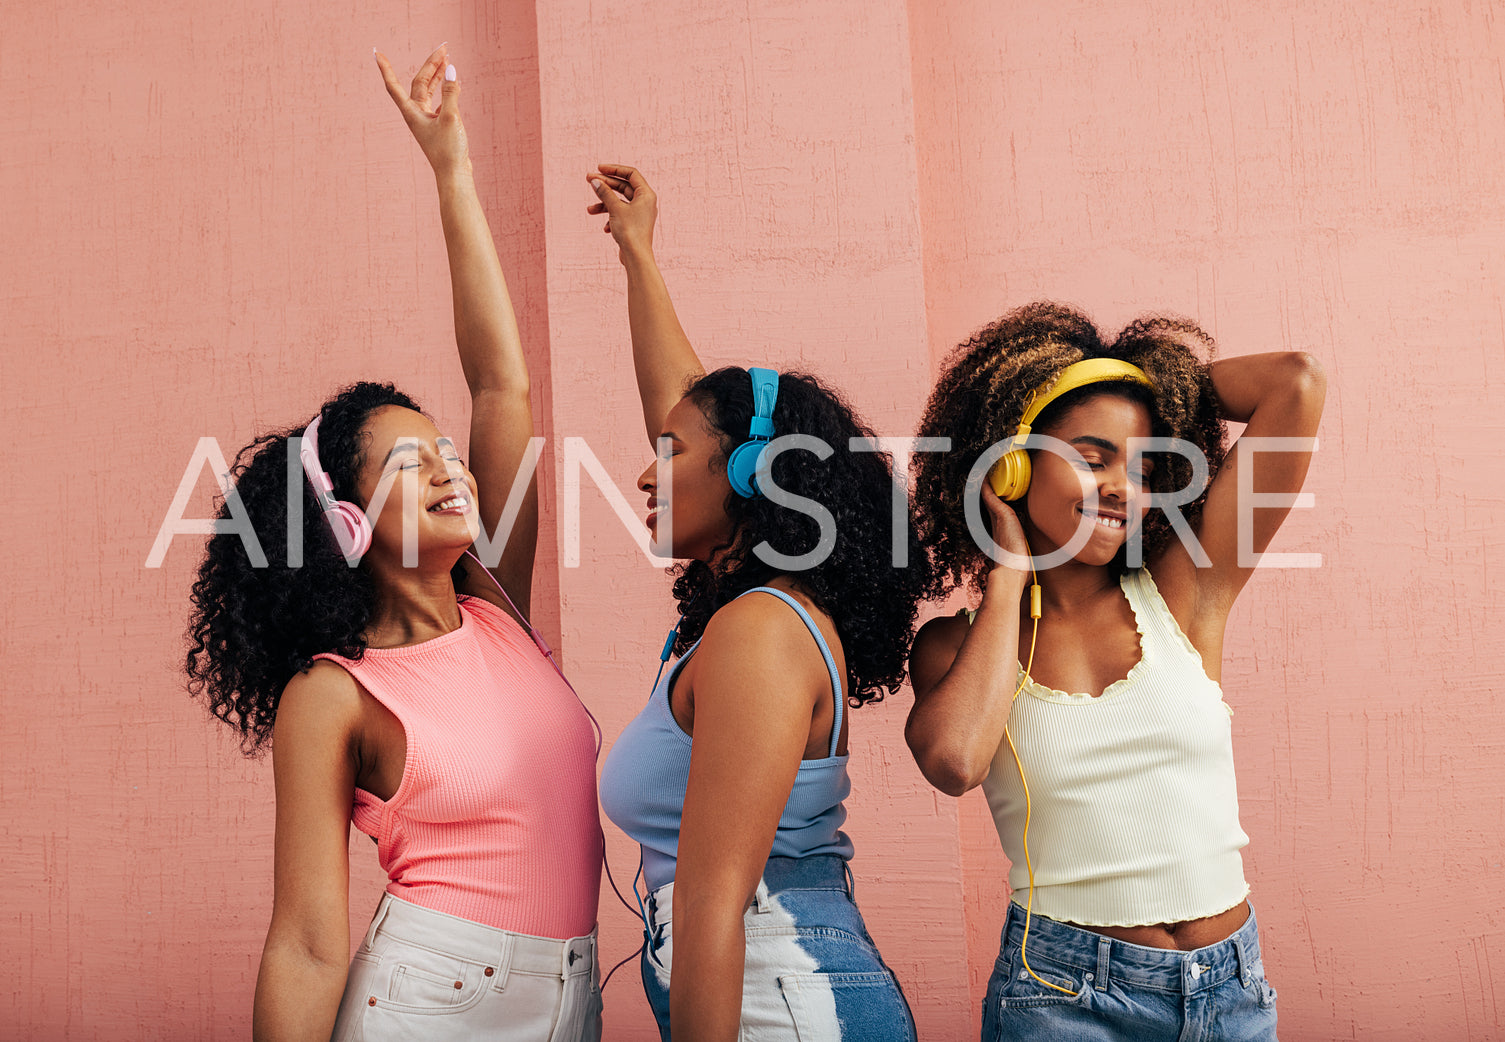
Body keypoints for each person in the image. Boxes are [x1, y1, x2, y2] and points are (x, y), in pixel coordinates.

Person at [185, 47, 603, 1042]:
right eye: (412, 464)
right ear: (346, 526)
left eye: (445, 450)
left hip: (572, 998)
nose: (451, 468)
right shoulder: (334, 693)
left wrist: (450, 169)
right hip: (426, 1001)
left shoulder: (492, 606)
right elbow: (306, 942)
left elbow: (502, 385)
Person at [906, 302, 1325, 1040]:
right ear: (1009, 467)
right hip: (1063, 999)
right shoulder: (953, 646)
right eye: (1091, 458)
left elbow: (1294, 385)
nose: (1120, 487)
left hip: (1229, 991)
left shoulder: (1186, 592)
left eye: (1139, 466)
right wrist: (1007, 573)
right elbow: (952, 760)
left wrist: (1152, 383)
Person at [585, 165, 924, 1042]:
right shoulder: (757, 616)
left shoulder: (760, 634)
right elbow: (693, 407)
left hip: (783, 999)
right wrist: (637, 254)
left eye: (668, 451)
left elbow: (710, 905)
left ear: (749, 476)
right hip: (777, 988)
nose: (643, 470)